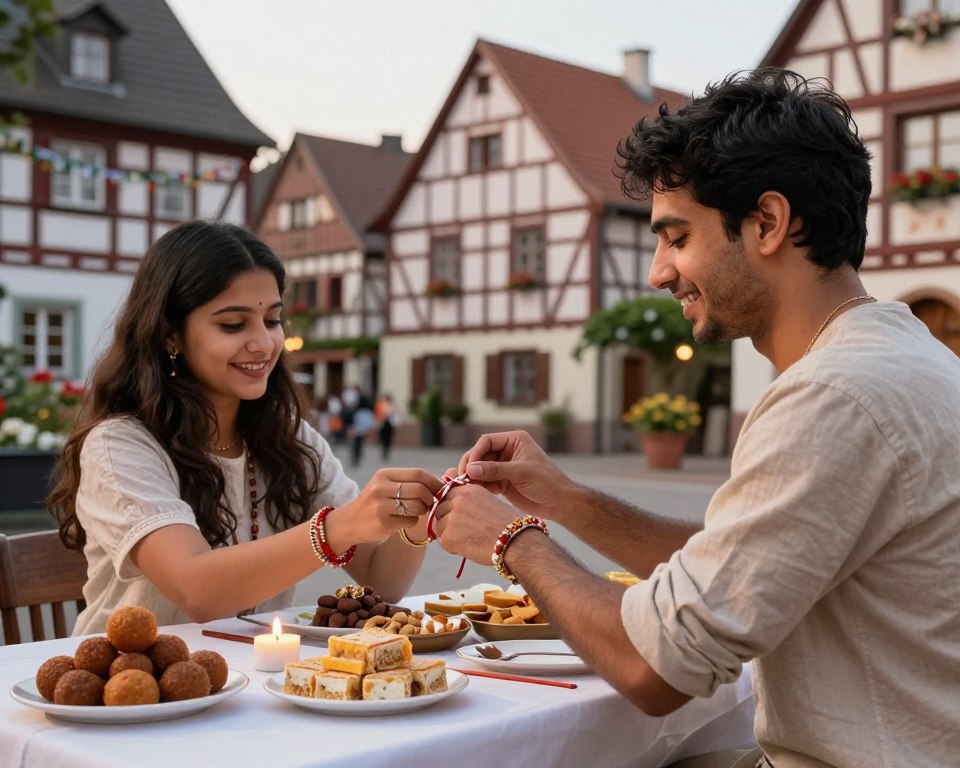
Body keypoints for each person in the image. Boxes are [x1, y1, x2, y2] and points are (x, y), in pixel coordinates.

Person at [434, 69, 960, 768]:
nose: (657, 272)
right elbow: (739, 563)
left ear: (767, 223)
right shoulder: (901, 354)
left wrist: (512, 541)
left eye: (677, 237)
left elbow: (653, 668)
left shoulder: (832, 394)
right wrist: (568, 501)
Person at [48, 221, 440, 634]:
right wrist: (336, 529)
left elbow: (382, 580)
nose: (264, 343)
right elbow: (197, 590)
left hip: (252, 671)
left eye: (272, 320)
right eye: (233, 324)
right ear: (169, 335)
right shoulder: (120, 444)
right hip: (129, 672)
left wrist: (415, 518)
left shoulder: (289, 438)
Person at [375, 393, 399, 460]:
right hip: (383, 423)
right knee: (384, 438)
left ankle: (386, 451)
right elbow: (378, 414)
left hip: (389, 424)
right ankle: (385, 450)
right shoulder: (381, 404)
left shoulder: (392, 405)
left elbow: (395, 415)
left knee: (388, 439)